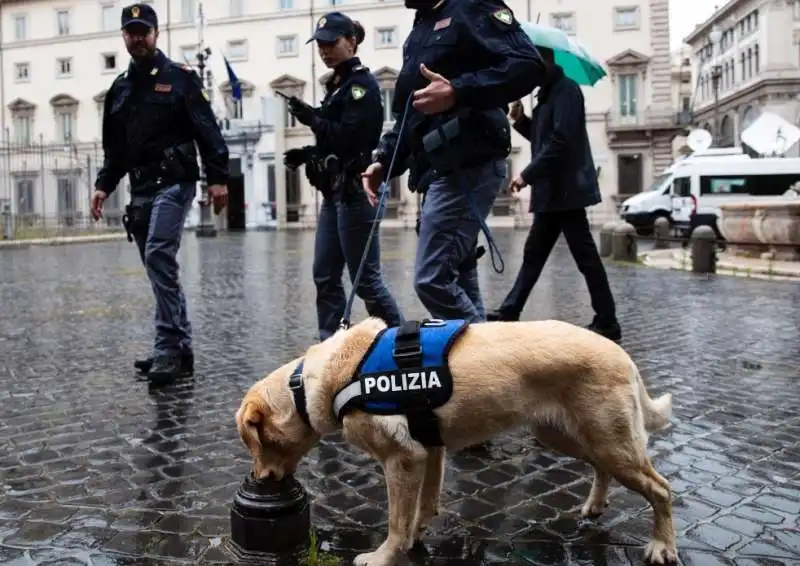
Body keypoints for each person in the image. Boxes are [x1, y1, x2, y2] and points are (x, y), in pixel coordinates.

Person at [361, 0, 547, 323]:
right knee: (459, 278)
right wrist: (384, 160)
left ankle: (486, 362)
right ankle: (478, 369)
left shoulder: (471, 5)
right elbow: (409, 112)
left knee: (432, 278)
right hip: (436, 169)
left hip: (469, 163)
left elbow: (527, 64)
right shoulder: (419, 28)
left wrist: (457, 91)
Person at [90, 3, 229, 382]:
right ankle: (181, 350)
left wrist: (217, 177)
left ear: (156, 33)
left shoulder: (180, 78)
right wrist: (104, 185)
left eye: (144, 31)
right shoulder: (119, 88)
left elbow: (207, 129)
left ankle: (167, 346)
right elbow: (115, 149)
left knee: (157, 253)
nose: (138, 37)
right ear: (124, 36)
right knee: (157, 269)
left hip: (176, 181)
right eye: (131, 31)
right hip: (140, 189)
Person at [485, 47, 622, 342]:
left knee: (586, 259)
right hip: (552, 194)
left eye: (534, 64)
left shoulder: (567, 92)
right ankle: (510, 309)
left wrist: (526, 174)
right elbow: (542, 136)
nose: (531, 71)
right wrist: (521, 120)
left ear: (546, 61)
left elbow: (561, 141)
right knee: (533, 255)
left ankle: (608, 321)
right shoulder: (547, 94)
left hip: (567, 191)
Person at [283, 11, 404, 341]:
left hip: (355, 194)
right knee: (324, 275)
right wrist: (307, 154)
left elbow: (352, 139)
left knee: (366, 280)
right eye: (320, 45)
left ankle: (403, 342)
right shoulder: (338, 85)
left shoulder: (361, 86)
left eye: (330, 43)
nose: (324, 51)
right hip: (334, 195)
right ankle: (333, 347)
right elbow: (331, 144)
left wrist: (312, 119)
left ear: (351, 42)